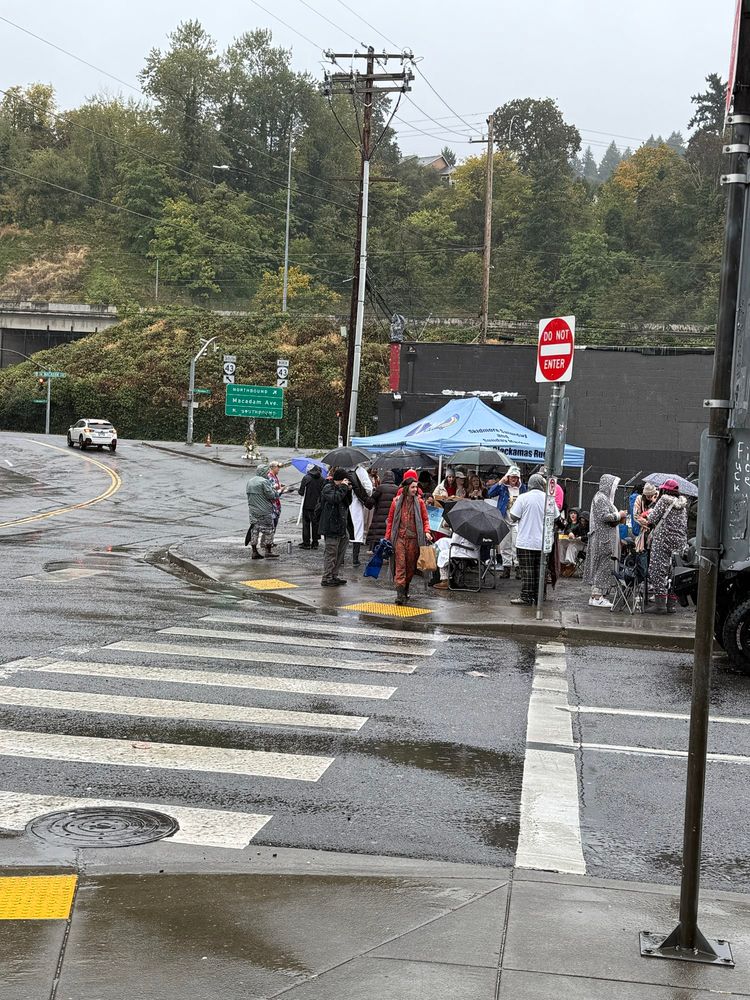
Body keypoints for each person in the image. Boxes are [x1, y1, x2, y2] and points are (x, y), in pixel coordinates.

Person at [508, 473, 558, 606]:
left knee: (527, 570)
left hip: (525, 540)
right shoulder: (549, 499)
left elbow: (513, 516)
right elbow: (556, 518)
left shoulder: (523, 498)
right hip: (544, 542)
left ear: (529, 484)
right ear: (542, 485)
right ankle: (540, 595)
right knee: (541, 570)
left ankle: (526, 596)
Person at [385, 472, 432, 605]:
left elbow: (425, 519)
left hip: (414, 540)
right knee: (400, 566)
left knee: (410, 568)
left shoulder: (420, 503)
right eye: (412, 487)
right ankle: (399, 594)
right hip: (399, 538)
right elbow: (390, 521)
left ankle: (405, 588)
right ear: (406, 488)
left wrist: (427, 531)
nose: (415, 489)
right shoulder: (396, 502)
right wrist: (388, 537)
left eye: (416, 487)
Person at [644, 479, 689, 614]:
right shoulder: (683, 504)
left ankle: (660, 605)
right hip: (680, 541)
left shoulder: (663, 500)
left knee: (657, 568)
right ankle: (672, 605)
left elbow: (652, 519)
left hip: (663, 539)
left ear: (665, 490)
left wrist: (648, 513)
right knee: (674, 572)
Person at [584, 474, 627, 608]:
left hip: (602, 538)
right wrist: (619, 515)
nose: (616, 489)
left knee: (600, 566)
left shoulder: (600, 497)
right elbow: (604, 517)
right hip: (603, 539)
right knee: (602, 567)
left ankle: (595, 596)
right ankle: (598, 597)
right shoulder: (602, 498)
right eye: (615, 486)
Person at [488, 466, 527, 579]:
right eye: (511, 477)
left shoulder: (522, 488)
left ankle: (518, 567)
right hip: (504, 518)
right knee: (504, 545)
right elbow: (490, 492)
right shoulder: (503, 488)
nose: (513, 479)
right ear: (508, 477)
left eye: (515, 477)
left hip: (518, 521)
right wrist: (500, 482)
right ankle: (506, 568)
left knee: (517, 544)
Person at [319, 468, 353, 587]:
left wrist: (348, 491)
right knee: (331, 553)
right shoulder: (328, 487)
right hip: (331, 526)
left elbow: (348, 503)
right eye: (345, 479)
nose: (347, 481)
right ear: (340, 479)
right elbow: (335, 499)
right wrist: (343, 488)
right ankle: (327, 577)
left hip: (341, 526)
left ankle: (334, 575)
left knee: (340, 553)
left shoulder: (341, 488)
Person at [245, 463, 281, 560]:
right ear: (264, 472)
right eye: (267, 472)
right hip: (264, 511)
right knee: (269, 530)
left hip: (253, 511)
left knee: (254, 531)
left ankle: (254, 551)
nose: (267, 473)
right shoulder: (264, 482)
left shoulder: (250, 481)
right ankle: (268, 551)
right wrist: (278, 492)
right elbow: (272, 496)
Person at [347, 464, 374, 567]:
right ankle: (355, 559)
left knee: (344, 531)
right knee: (357, 530)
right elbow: (369, 488)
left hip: (344, 503)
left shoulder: (341, 469)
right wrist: (365, 496)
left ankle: (340, 559)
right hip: (356, 503)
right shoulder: (361, 470)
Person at [367, 470, 399, 549]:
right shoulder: (397, 489)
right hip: (391, 517)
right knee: (388, 533)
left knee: (377, 536)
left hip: (379, 516)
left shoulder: (380, 488)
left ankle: (376, 551)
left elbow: (371, 501)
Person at [297, 463, 324, 550]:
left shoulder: (306, 478)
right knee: (315, 524)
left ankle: (306, 542)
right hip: (317, 505)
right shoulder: (322, 479)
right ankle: (315, 542)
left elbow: (301, 492)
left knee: (306, 524)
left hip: (307, 504)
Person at [559, 509, 587, 576]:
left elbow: (589, 536)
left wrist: (581, 537)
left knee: (572, 544)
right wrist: (570, 532)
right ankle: (562, 563)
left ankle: (570, 564)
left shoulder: (585, 525)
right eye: (571, 513)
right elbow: (569, 531)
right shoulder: (569, 524)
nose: (573, 515)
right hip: (572, 542)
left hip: (584, 544)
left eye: (575, 513)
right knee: (561, 543)